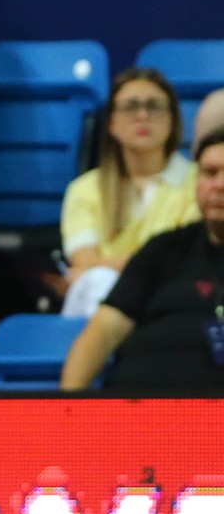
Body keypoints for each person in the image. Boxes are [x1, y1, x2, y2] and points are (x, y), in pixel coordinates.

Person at [61, 128, 224, 393]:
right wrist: (66, 407)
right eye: (210, 173)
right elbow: (102, 333)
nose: (219, 185)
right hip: (134, 409)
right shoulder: (163, 248)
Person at [59, 69, 195, 319]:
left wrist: (106, 265)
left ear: (173, 119)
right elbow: (84, 262)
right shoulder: (84, 189)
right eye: (131, 106)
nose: (142, 115)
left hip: (175, 300)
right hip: (101, 299)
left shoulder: (202, 181)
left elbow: (187, 263)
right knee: (99, 282)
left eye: (154, 106)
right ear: (111, 122)